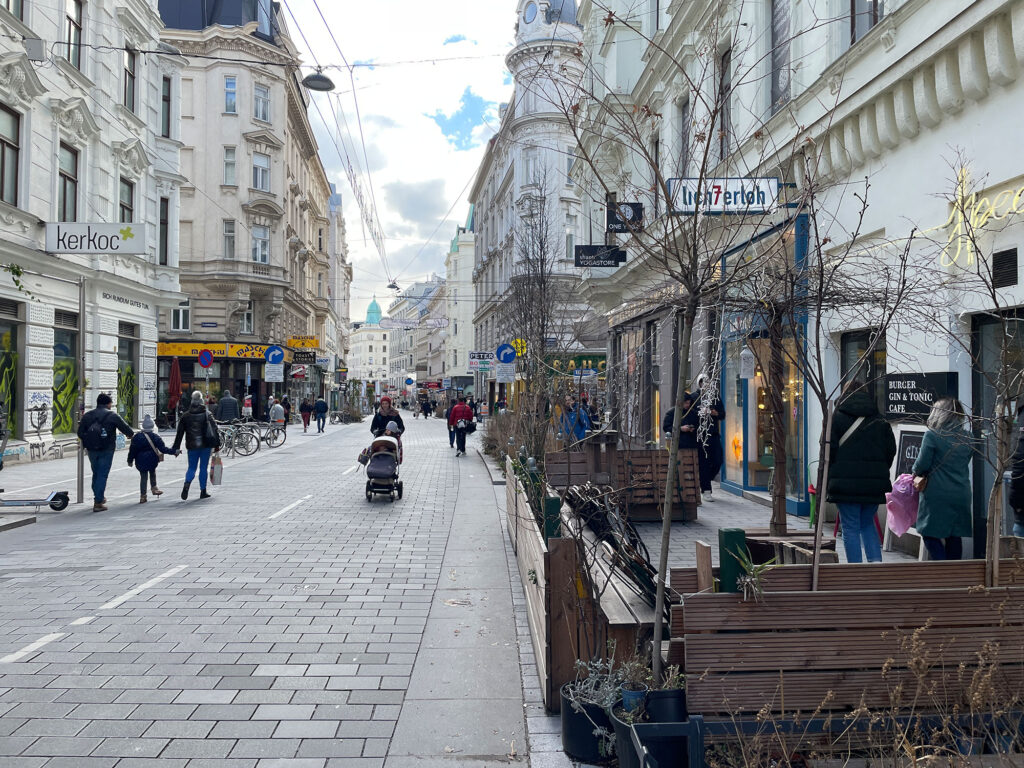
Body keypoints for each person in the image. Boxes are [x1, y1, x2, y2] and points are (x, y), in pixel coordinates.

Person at [825, 384, 897, 563]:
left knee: (850, 527)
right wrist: (878, 471)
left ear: (845, 395)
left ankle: (855, 570)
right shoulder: (880, 420)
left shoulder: (837, 418)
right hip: (873, 484)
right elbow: (890, 450)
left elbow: (828, 450)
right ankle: (875, 566)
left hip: (845, 483)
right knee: (867, 523)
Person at [912, 398, 975, 561]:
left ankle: (942, 570)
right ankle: (954, 576)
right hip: (961, 492)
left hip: (937, 493)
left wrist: (915, 472)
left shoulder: (932, 435)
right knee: (954, 535)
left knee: (929, 533)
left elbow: (921, 466)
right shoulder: (969, 437)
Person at [77, 393, 134, 512]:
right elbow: (126, 429)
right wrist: (130, 435)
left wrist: (88, 442)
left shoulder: (87, 415)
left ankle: (99, 496)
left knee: (96, 473)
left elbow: (80, 433)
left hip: (92, 449)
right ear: (108, 404)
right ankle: (98, 502)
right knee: (102, 474)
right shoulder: (112, 415)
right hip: (106, 449)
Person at [172, 390, 221, 500]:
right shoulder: (207, 414)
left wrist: (176, 448)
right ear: (202, 401)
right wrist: (217, 445)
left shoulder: (185, 416)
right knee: (203, 468)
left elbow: (179, 433)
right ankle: (203, 491)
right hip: (206, 445)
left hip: (192, 446)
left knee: (191, 468)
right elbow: (215, 430)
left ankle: (186, 485)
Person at [127, 414, 177, 504]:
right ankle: (154, 488)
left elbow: (132, 451)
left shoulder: (137, 437)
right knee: (152, 472)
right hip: (152, 459)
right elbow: (163, 449)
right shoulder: (156, 437)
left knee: (143, 477)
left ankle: (143, 496)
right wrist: (174, 452)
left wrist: (130, 460)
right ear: (153, 426)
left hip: (140, 460)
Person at [693, 375, 727, 499]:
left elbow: (722, 414)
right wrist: (699, 413)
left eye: (707, 382)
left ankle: (706, 479)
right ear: (699, 384)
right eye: (703, 383)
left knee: (718, 460)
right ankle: (706, 490)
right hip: (700, 436)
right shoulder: (694, 397)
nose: (705, 385)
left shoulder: (715, 398)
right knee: (704, 463)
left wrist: (714, 413)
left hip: (713, 434)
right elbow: (690, 413)